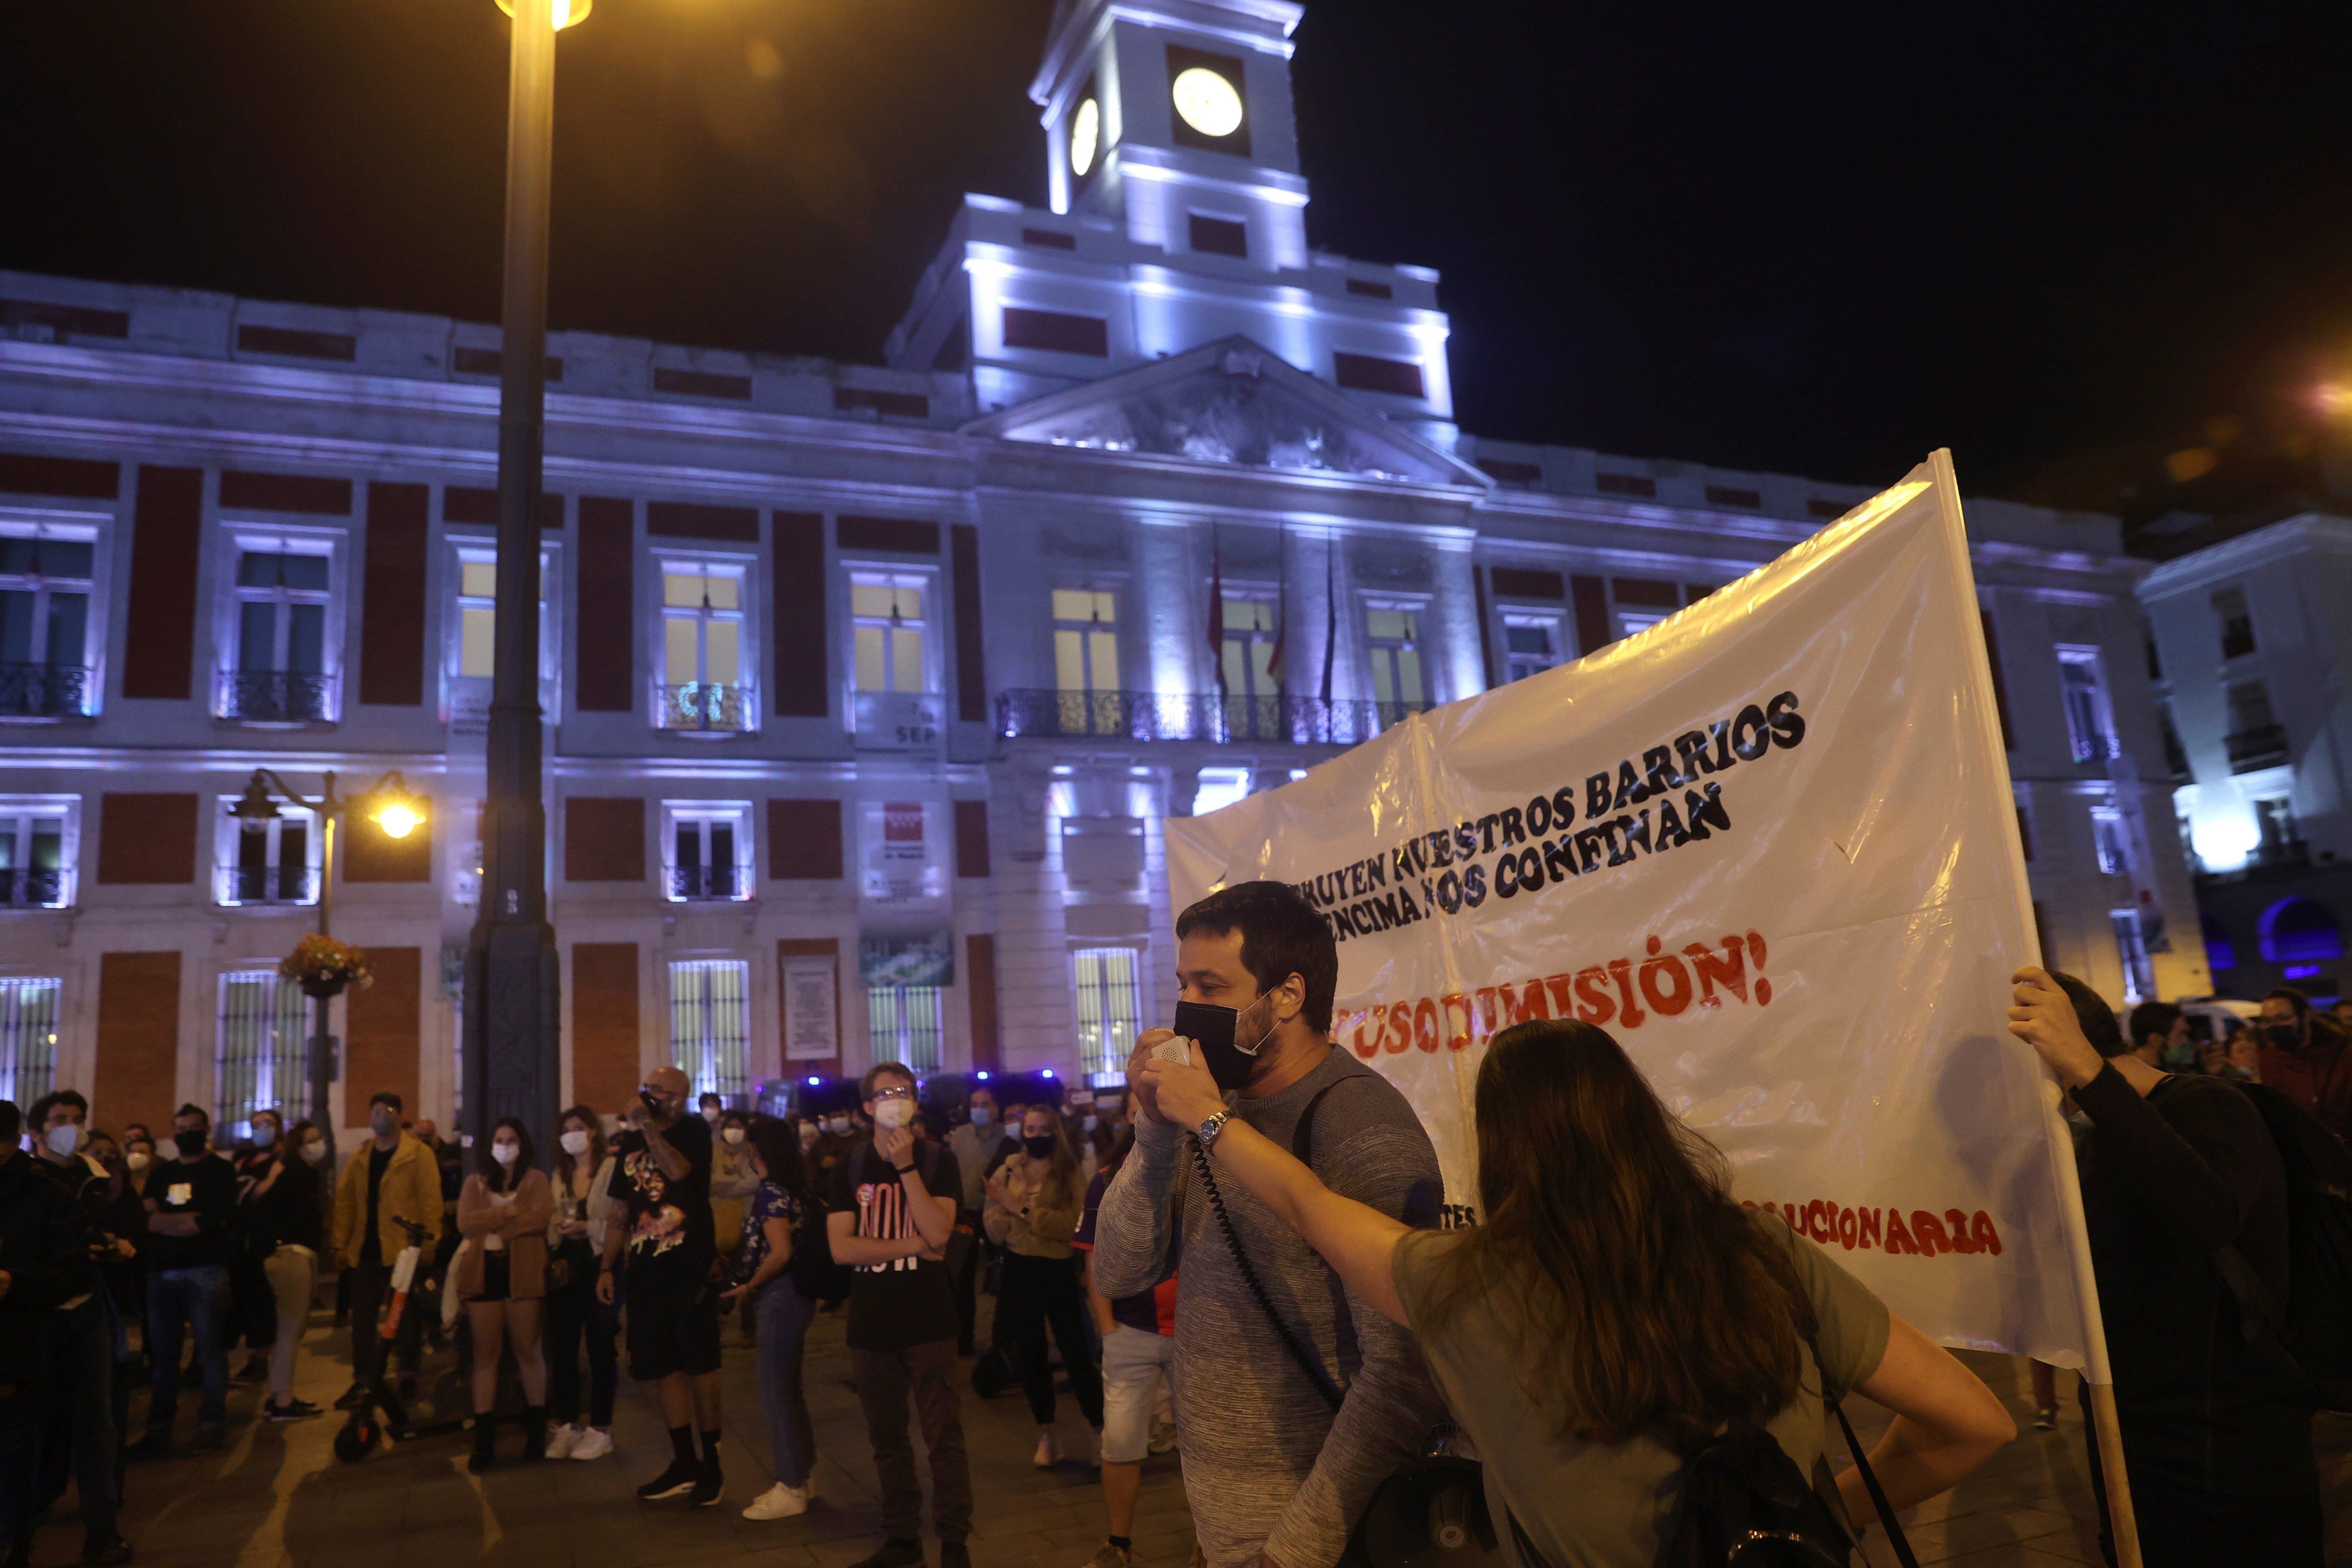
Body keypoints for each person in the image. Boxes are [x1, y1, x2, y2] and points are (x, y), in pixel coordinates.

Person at [1133, 1016, 2014, 1567]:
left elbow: (1309, 1204)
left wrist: (1205, 1114)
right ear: (1639, 1117)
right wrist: (1820, 1513)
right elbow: (1978, 1423)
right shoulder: (1762, 1249)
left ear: (1500, 1148)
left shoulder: (1463, 1285)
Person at [1094, 882, 1445, 1568]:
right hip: (1223, 1523)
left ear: (1287, 995)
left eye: (1211, 986)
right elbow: (1120, 1270)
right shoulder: (1212, 1105)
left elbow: (1403, 1373)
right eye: (1182, 984)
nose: (1189, 1007)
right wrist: (1156, 1131)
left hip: (1316, 1535)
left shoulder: (1357, 1122)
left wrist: (1294, 1550)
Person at [2011, 966, 2321, 1565]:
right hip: (2132, 1439)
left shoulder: (2209, 1104)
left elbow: (2207, 1215)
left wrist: (2090, 1077)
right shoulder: (2087, 1139)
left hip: (2230, 1447)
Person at [827, 1062, 970, 1568]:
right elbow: (841, 1249)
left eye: (903, 1091)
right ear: (867, 1107)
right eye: (884, 1093)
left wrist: (907, 1168)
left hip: (929, 1317)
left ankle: (954, 1542)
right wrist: (915, 1242)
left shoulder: (937, 1159)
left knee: (943, 1436)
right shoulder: (850, 1163)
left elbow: (943, 1229)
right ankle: (902, 1539)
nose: (895, 1099)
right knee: (886, 1438)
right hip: (872, 1320)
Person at [599, 1065, 726, 1506]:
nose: (648, 1096)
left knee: (700, 1367)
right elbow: (620, 1210)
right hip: (646, 1271)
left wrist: (649, 1126)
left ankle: (712, 1463)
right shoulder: (631, 1143)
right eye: (647, 1088)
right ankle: (683, 1461)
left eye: (657, 1091)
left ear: (677, 1097)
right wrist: (607, 1266)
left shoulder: (692, 1131)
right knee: (662, 1368)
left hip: (689, 1269)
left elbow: (677, 1171)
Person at [24, 1091, 133, 1566]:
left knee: (97, 1423)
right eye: (60, 1119)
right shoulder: (25, 1183)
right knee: (32, 1422)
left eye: (78, 1119)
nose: (72, 1127)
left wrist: (111, 1245)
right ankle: (25, 1518)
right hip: (38, 1315)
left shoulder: (94, 1177)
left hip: (87, 1308)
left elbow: (115, 1226)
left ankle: (102, 1528)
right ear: (36, 1132)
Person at [1074, 1090, 1178, 1568]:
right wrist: (1107, 1328)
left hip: (1196, 1332)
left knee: (1207, 1443)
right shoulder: (1107, 1180)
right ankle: (1118, 1543)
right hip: (1132, 1330)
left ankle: (1211, 1543)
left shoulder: (1204, 1171)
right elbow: (1093, 1258)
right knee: (1120, 1443)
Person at [0, 1099, 101, 1568]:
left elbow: (75, 1274)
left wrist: (15, 1283)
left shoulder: (47, 1195)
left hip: (17, 1348)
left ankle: (16, 1543)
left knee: (15, 1457)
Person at [983, 1105, 1102, 1468]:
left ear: (1055, 1132)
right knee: (1031, 1353)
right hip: (1019, 1268)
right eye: (1030, 1129)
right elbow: (992, 1225)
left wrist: (1020, 1211)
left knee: (1076, 1352)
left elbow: (1072, 1225)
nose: (1036, 1136)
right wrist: (1005, 1210)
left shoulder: (1068, 1171)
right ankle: (1047, 1433)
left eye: (1043, 1129)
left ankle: (1100, 1430)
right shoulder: (1010, 1169)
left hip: (1056, 1269)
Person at [724, 1115, 821, 1521]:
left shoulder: (771, 1191)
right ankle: (802, 1474)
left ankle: (791, 1485)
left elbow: (779, 1251)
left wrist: (750, 1286)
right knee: (788, 1389)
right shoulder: (792, 1186)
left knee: (775, 1392)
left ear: (756, 1150)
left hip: (779, 1296)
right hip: (794, 1295)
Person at [129, 1104, 239, 1456]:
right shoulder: (162, 1174)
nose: (186, 1132)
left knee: (210, 1351)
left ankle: (212, 1420)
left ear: (205, 1130)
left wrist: (168, 1220)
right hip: (162, 1275)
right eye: (180, 1127)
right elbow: (147, 1223)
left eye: (193, 1127)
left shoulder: (221, 1171)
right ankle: (159, 1427)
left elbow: (212, 1221)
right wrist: (183, 1222)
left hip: (205, 1272)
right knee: (164, 1356)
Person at [328, 1092, 443, 1409]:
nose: (382, 1116)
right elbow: (346, 1200)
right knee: (363, 1320)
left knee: (405, 1317)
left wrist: (429, 1244)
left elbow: (431, 1202)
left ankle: (407, 1374)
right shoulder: (362, 1155)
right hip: (365, 1251)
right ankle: (364, 1379)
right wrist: (340, 1241)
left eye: (389, 1110)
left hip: (402, 1250)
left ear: (400, 1114)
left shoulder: (418, 1155)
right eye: (376, 1110)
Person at [456, 1117, 554, 1471]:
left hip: (524, 1273)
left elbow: (541, 1218)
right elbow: (466, 1223)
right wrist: (512, 1212)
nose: (505, 1145)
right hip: (484, 1273)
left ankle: (536, 1432)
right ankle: (484, 1441)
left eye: (511, 1139)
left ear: (522, 1143)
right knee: (486, 1355)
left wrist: (498, 1222)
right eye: (499, 1139)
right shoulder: (475, 1182)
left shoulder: (537, 1179)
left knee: (529, 1349)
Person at [544, 1104, 620, 1461]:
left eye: (579, 1127)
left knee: (601, 1344)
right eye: (566, 1129)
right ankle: (568, 1424)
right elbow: (550, 1219)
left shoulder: (610, 1169)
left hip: (600, 1263)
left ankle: (600, 1427)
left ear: (593, 1132)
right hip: (566, 1267)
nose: (572, 1134)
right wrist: (557, 1227)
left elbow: (623, 1222)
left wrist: (587, 1227)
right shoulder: (559, 1175)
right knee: (562, 1346)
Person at [245, 1118, 326, 1421]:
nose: (318, 1145)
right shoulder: (297, 1175)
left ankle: (280, 1395)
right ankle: (282, 1400)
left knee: (289, 1330)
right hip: (291, 1255)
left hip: (291, 1254)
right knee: (290, 1330)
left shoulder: (293, 1173)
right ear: (299, 1146)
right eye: (311, 1140)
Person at [945, 1086, 1013, 1355]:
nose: (979, 1109)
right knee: (962, 1279)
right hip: (966, 1213)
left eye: (985, 1104)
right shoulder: (961, 1136)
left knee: (1003, 1276)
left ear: (996, 1108)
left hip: (997, 1212)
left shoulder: (1007, 1136)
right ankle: (964, 1339)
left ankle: (1003, 1340)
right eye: (975, 1104)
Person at [228, 1107, 287, 1384]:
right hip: (241, 1241)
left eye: (268, 1123)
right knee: (243, 1303)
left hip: (265, 1240)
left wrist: (259, 1187)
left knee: (263, 1305)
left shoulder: (282, 1161)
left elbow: (264, 1192)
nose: (262, 1128)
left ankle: (261, 1360)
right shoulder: (243, 1161)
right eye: (257, 1124)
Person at [2255, 986, 2352, 1137]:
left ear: (2305, 1016)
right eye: (2268, 1021)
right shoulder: (2269, 1061)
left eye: (2283, 1018)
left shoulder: (2342, 1055)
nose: (2276, 1026)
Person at [2127, 1001, 2195, 1073]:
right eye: (2181, 1034)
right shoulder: (2135, 1078)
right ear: (2155, 1039)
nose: (2186, 1041)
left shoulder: (2172, 1070)